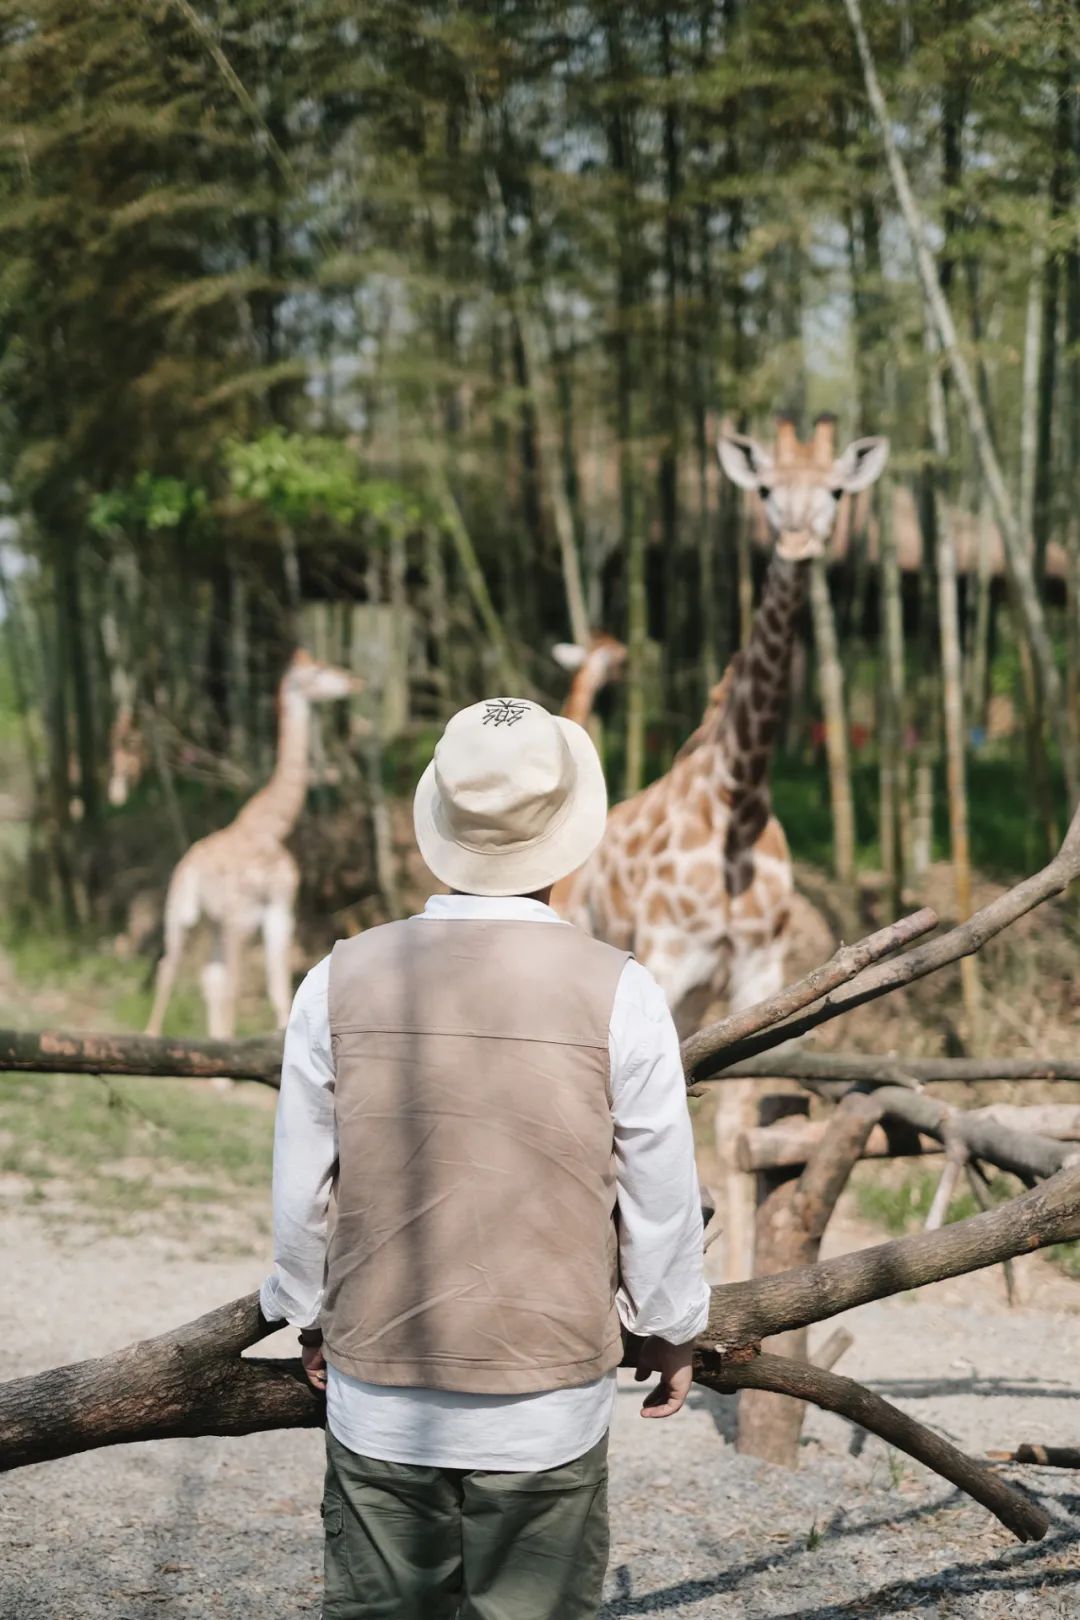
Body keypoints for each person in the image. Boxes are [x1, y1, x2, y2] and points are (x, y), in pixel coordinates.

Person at [260, 696, 710, 1620]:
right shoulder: (621, 992)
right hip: (549, 1402)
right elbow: (660, 1191)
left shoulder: (334, 978)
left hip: (379, 1389)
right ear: (569, 838)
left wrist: (306, 1313)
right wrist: (669, 1323)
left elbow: (301, 1186)